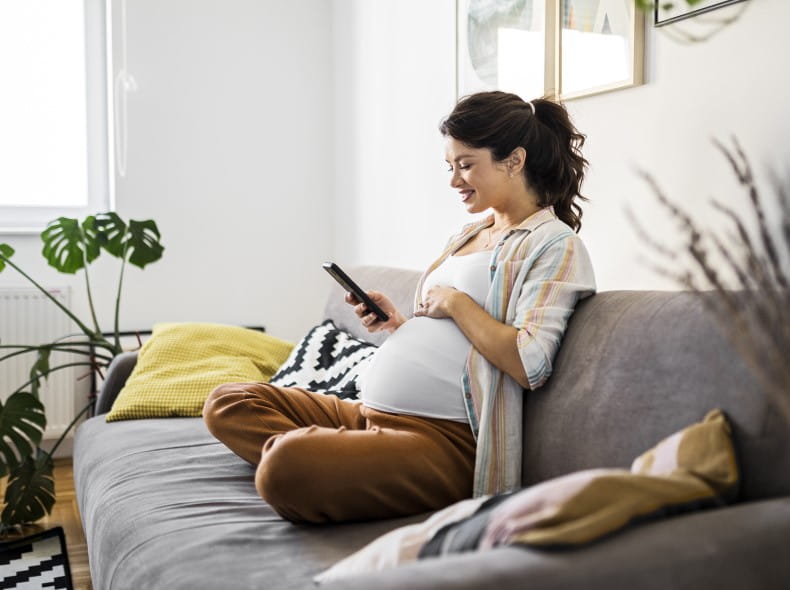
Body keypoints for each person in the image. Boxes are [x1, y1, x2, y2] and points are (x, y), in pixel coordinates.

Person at [203, 91, 596, 524]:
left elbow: (529, 362)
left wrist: (457, 302)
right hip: (365, 412)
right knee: (228, 402)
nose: (454, 180)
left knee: (284, 465)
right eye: (450, 167)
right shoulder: (468, 234)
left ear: (514, 161)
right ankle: (354, 465)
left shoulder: (554, 244)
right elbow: (449, 339)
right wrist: (398, 325)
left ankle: (337, 465)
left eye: (465, 165)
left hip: (442, 438)